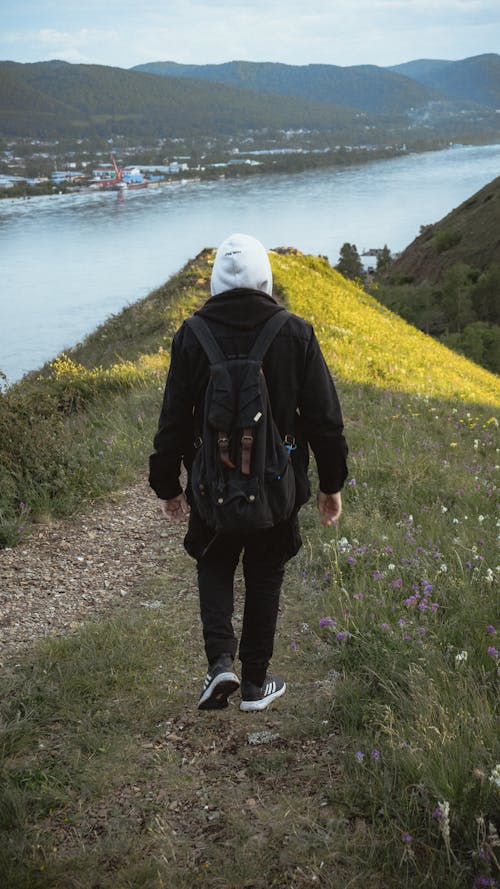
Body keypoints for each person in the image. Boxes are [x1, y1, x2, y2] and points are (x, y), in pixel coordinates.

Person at [149, 233, 348, 712]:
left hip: (212, 486)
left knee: (214, 562)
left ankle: (220, 665)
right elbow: (324, 418)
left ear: (216, 281)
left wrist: (168, 486)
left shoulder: (191, 334)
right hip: (276, 485)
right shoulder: (295, 332)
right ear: (266, 278)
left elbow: (173, 418)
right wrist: (330, 484)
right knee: (265, 574)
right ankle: (256, 685)